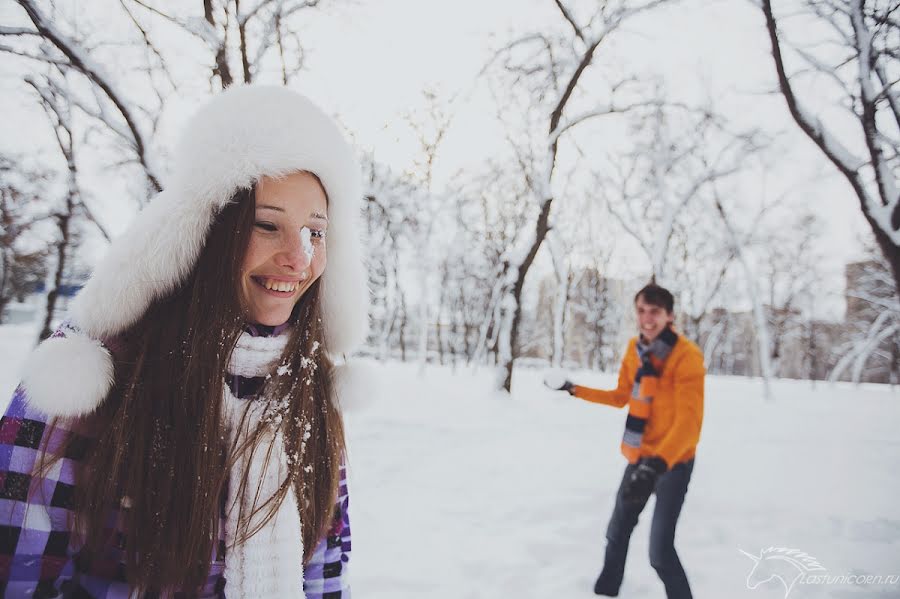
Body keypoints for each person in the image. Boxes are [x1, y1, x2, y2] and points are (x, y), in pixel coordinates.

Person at [0, 85, 368, 598]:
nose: (298, 257)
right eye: (267, 225)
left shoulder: (307, 386)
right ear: (207, 230)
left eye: (316, 232)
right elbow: (19, 575)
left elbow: (326, 572)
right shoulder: (91, 384)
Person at [546, 283, 704, 599]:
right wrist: (574, 389)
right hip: (640, 456)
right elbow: (621, 396)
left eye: (655, 312)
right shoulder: (635, 349)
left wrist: (656, 466)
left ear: (670, 316)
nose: (647, 319)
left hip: (673, 462)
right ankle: (605, 592)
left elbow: (689, 424)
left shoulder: (687, 356)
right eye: (642, 311)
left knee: (659, 552)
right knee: (616, 532)